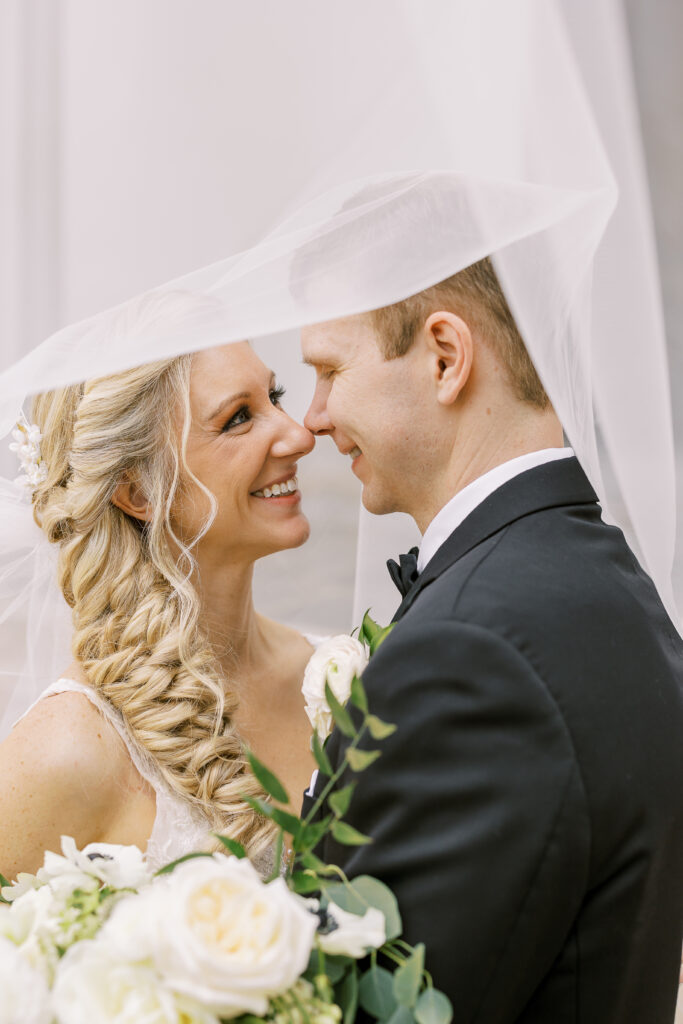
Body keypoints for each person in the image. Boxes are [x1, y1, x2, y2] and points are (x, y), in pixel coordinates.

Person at [300, 256, 683, 1022]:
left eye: (329, 372)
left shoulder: (472, 655)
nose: (310, 417)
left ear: (446, 357)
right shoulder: (598, 580)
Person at [0, 293, 318, 879]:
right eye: (239, 418)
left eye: (274, 397)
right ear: (138, 493)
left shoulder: (331, 680)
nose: (299, 436)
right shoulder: (64, 752)